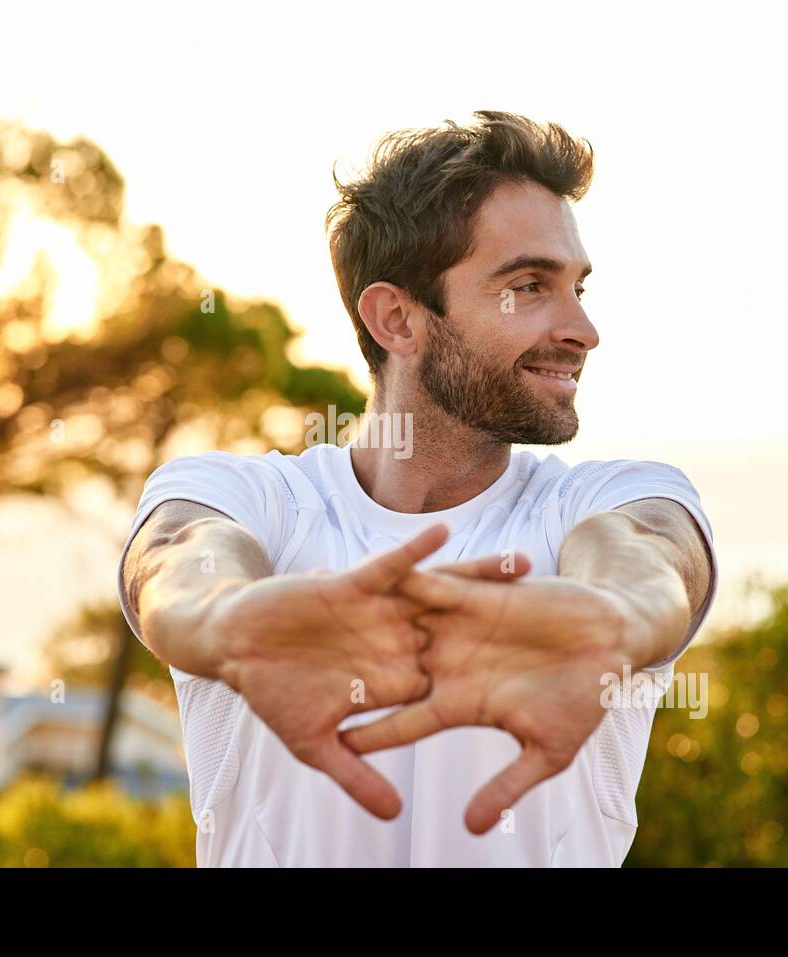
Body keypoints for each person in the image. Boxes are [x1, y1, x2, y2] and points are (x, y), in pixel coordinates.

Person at [117, 110, 717, 866]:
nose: (582, 328)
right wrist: (232, 620)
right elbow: (176, 558)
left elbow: (652, 552)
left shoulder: (604, 502)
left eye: (578, 286)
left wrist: (616, 616)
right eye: (530, 286)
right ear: (397, 317)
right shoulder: (244, 496)